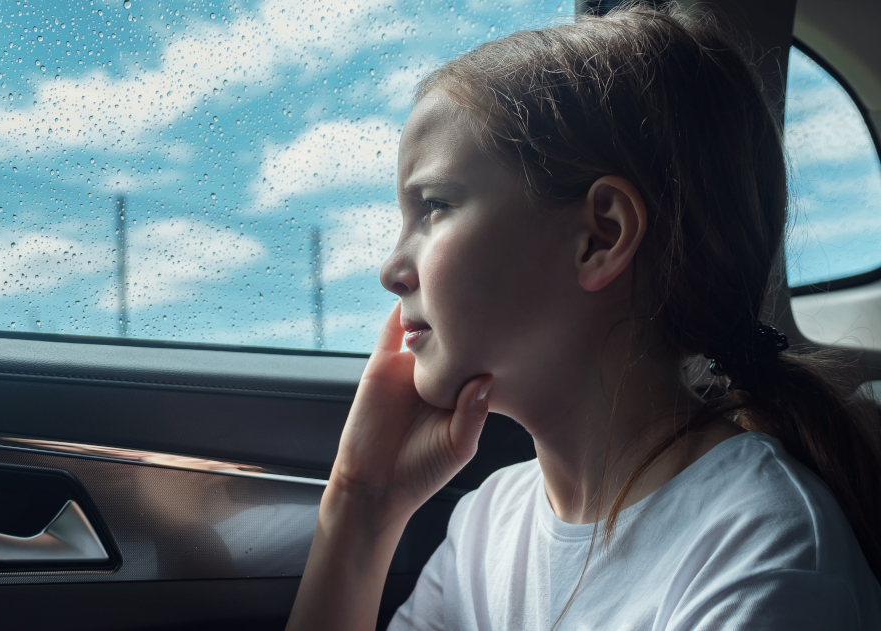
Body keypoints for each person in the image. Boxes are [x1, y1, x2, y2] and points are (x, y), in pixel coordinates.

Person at [285, 4, 881, 630]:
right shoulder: (487, 523)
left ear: (602, 235)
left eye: (433, 206)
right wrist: (361, 504)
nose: (391, 270)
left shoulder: (766, 549)